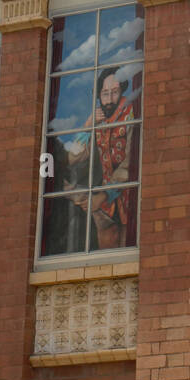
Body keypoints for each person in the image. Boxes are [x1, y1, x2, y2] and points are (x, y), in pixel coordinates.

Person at [63, 68, 136, 249]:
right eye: (105, 93)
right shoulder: (99, 120)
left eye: (114, 92)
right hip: (106, 207)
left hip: (129, 201)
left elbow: (130, 163)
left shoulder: (131, 115)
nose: (109, 100)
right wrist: (87, 127)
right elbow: (73, 157)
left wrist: (103, 195)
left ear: (122, 92)